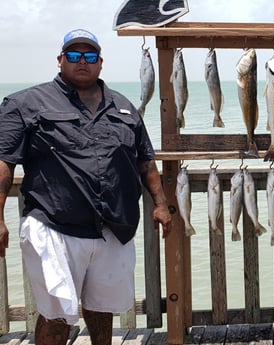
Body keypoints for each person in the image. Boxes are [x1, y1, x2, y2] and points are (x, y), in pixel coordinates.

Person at [0, 29, 172, 345]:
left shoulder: (123, 107)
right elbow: (4, 163)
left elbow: (145, 161)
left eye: (90, 56)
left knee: (102, 307)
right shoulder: (25, 103)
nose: (83, 61)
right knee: (58, 314)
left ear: (100, 62)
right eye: (74, 55)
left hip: (112, 227)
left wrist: (160, 203)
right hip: (54, 226)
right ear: (61, 59)